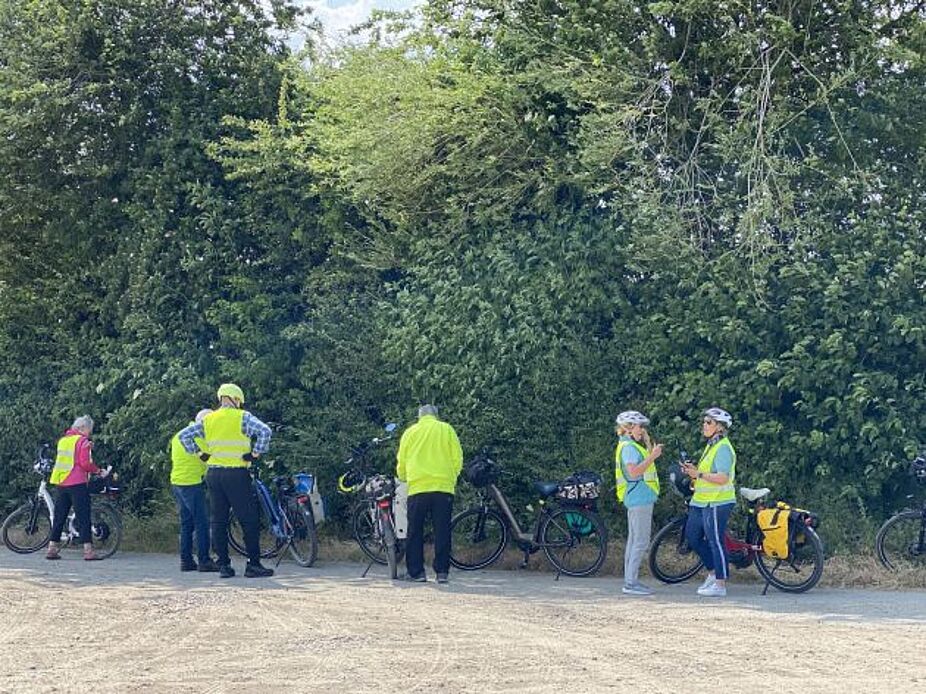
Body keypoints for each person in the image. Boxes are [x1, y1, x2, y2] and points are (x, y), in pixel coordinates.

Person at [178, 384, 274, 579]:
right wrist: (255, 454)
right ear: (236, 399)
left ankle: (224, 566)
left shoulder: (209, 419)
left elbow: (184, 435)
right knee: (248, 519)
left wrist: (199, 454)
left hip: (214, 474)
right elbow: (265, 431)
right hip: (237, 474)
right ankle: (253, 564)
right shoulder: (242, 417)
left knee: (218, 521)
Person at [396, 404, 463, 584]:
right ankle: (442, 572)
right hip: (443, 487)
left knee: (415, 530)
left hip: (418, 487)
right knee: (442, 530)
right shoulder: (447, 429)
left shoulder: (410, 432)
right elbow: (458, 458)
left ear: (419, 417)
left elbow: (401, 462)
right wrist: (452, 477)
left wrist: (404, 477)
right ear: (436, 415)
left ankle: (416, 572)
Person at [681, 407, 736, 597]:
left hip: (717, 501)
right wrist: (693, 471)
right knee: (693, 536)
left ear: (720, 427)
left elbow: (722, 478)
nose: (704, 425)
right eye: (704, 422)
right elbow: (706, 474)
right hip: (701, 501)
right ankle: (713, 573)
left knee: (716, 541)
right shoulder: (711, 445)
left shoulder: (723, 448)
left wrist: (699, 474)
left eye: (709, 422)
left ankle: (720, 584)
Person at [46, 415, 110, 561]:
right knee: (83, 516)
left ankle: (52, 548)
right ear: (82, 428)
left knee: (59, 516)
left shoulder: (63, 441)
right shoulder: (82, 441)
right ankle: (88, 551)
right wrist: (99, 471)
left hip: (61, 482)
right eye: (89, 429)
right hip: (77, 483)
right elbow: (85, 463)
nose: (90, 433)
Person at [614, 410, 663, 596]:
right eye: (639, 426)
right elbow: (633, 472)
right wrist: (653, 457)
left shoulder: (628, 446)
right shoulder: (628, 448)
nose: (642, 430)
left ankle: (630, 581)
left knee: (634, 540)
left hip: (637, 498)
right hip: (639, 498)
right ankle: (631, 583)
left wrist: (649, 454)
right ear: (628, 428)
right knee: (640, 541)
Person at [170, 408, 219, 573]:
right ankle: (204, 560)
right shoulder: (200, 438)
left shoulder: (179, 435)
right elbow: (210, 462)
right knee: (202, 523)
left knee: (186, 523)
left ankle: (186, 560)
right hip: (191, 484)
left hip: (177, 482)